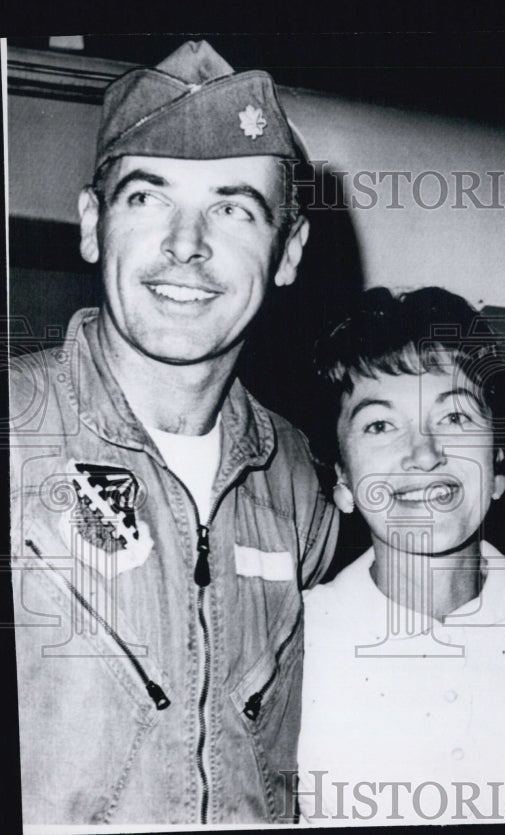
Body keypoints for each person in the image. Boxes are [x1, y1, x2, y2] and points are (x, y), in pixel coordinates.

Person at [8, 41, 338, 824]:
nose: (186, 244)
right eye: (147, 198)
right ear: (92, 224)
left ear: (288, 252)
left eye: (232, 207)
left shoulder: (295, 478)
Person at [297, 287, 505, 824]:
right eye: (379, 425)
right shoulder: (292, 634)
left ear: (497, 466)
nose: (424, 453)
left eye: (456, 418)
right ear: (342, 481)